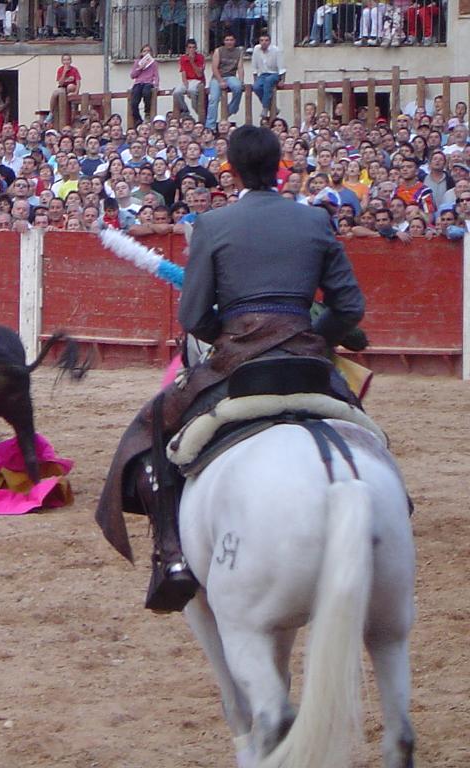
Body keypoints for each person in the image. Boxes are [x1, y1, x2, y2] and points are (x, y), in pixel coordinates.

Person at [96, 126, 366, 612]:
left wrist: (234, 339)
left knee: (152, 427)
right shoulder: (316, 222)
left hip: (238, 359)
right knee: (363, 427)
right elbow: (349, 309)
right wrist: (311, 341)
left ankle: (172, 556)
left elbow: (194, 318)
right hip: (307, 358)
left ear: (233, 170)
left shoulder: (213, 225)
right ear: (279, 166)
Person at [205, 33, 244, 130]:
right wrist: (220, 81)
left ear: (234, 41)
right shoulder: (218, 51)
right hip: (217, 77)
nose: (229, 42)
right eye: (227, 40)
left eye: (231, 40)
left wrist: (241, 80)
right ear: (224, 41)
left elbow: (240, 67)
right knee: (214, 99)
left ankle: (231, 109)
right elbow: (214, 67)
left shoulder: (239, 52)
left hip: (231, 76)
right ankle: (210, 126)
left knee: (238, 87)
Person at [250, 33, 284, 119]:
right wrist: (255, 80)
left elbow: (281, 67)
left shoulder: (276, 50)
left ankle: (265, 108)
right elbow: (254, 66)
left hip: (274, 73)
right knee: (256, 87)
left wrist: (282, 80)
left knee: (268, 82)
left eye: (266, 40)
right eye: (262, 40)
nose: (264, 42)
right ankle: (272, 107)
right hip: (262, 74)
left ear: (269, 41)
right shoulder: (256, 49)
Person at [172, 39, 206, 121]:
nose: (191, 49)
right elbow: (183, 74)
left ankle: (197, 110)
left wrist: (192, 61)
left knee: (192, 90)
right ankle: (185, 110)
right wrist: (186, 86)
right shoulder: (183, 58)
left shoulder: (200, 57)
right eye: (190, 47)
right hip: (188, 81)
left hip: (198, 80)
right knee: (176, 92)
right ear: (187, 49)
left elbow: (199, 74)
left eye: (193, 47)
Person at [128, 44, 159, 126]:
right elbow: (132, 75)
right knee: (134, 102)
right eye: (144, 51)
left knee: (147, 93)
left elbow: (156, 75)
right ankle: (138, 119)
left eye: (148, 51)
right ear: (141, 53)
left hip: (148, 83)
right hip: (138, 83)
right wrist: (140, 68)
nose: (146, 52)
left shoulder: (153, 63)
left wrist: (156, 85)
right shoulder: (137, 62)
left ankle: (147, 112)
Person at [49, 53, 81, 124]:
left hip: (72, 89)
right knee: (55, 93)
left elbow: (78, 82)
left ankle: (72, 106)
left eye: (68, 60)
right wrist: (64, 72)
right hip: (62, 88)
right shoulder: (60, 70)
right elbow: (60, 83)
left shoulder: (74, 70)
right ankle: (51, 113)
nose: (66, 62)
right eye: (65, 60)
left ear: (71, 61)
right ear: (62, 61)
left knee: (70, 86)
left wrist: (76, 92)